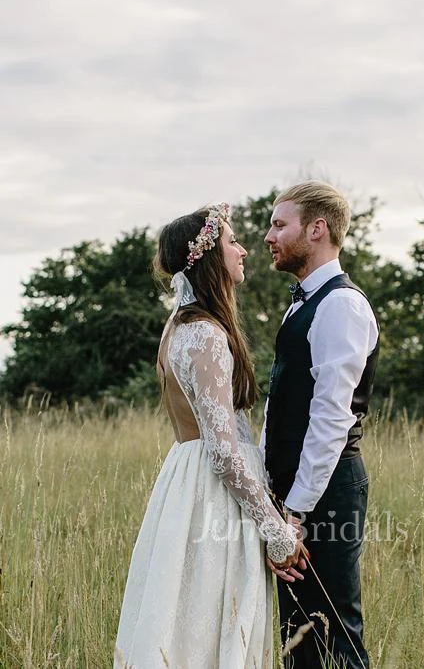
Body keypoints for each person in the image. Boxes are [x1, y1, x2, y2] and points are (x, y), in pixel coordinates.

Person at [114, 203, 304, 669]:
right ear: (208, 258)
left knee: (184, 621)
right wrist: (277, 531)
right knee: (211, 621)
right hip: (212, 494)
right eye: (232, 242)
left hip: (185, 480)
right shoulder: (204, 334)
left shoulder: (178, 326)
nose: (243, 250)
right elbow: (223, 453)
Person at [261, 181, 379, 669]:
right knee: (299, 637)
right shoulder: (304, 302)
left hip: (325, 491)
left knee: (335, 634)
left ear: (316, 229)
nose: (269, 236)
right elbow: (282, 403)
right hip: (294, 491)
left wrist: (295, 511)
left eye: (279, 224)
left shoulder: (341, 304)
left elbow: (332, 417)